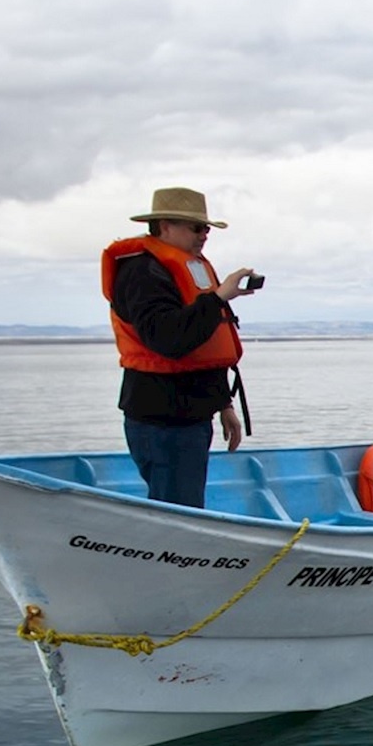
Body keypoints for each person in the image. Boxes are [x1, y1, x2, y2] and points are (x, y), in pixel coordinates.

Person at [102, 187, 260, 507]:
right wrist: (218, 297)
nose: (204, 235)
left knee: (186, 505)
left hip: (191, 416)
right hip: (161, 420)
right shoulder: (142, 272)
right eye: (196, 228)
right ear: (165, 226)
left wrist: (223, 403)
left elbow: (202, 344)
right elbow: (167, 339)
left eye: (206, 229)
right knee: (177, 510)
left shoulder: (191, 266)